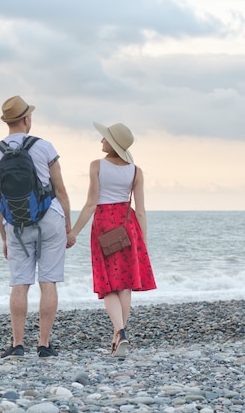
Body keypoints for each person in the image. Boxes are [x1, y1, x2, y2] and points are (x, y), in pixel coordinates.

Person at [0, 95, 71, 358]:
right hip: (50, 218)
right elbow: (61, 190)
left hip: (16, 225)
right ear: (26, 119)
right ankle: (44, 345)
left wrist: (4, 237)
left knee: (20, 284)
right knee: (48, 282)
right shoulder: (44, 147)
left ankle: (18, 344)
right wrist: (67, 227)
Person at [66, 122, 156, 357]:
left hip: (105, 223)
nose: (101, 141)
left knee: (108, 285)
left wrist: (74, 232)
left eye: (105, 138)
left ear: (113, 144)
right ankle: (119, 337)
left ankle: (120, 331)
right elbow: (142, 210)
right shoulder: (136, 171)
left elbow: (90, 204)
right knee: (125, 284)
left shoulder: (97, 166)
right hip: (129, 226)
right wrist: (142, 242)